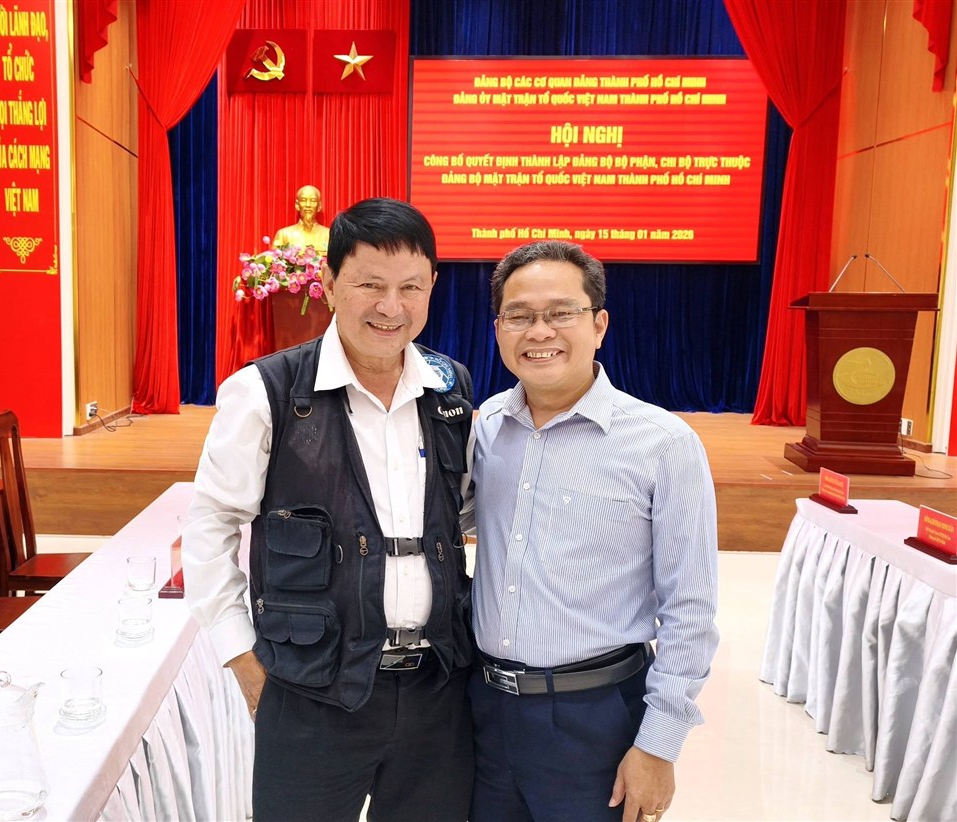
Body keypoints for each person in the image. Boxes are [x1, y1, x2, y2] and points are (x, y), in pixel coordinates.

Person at [182, 197, 475, 822]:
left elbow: (465, 512)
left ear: (432, 286)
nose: (391, 307)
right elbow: (209, 525)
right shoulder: (266, 391)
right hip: (311, 692)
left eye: (410, 287)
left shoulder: (450, 388)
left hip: (437, 692)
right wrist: (241, 656)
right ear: (330, 281)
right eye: (370, 284)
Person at [464, 240, 719, 822]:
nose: (539, 331)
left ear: (599, 325)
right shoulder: (488, 426)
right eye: (519, 316)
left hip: (595, 719)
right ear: (498, 329)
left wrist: (658, 744)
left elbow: (690, 608)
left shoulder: (663, 444)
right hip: (482, 712)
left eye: (561, 312)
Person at [272, 184, 331, 255]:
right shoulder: (284, 235)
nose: (308, 205)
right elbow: (273, 259)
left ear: (319, 206)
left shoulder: (329, 235)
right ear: (297, 205)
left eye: (313, 201)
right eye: (303, 200)